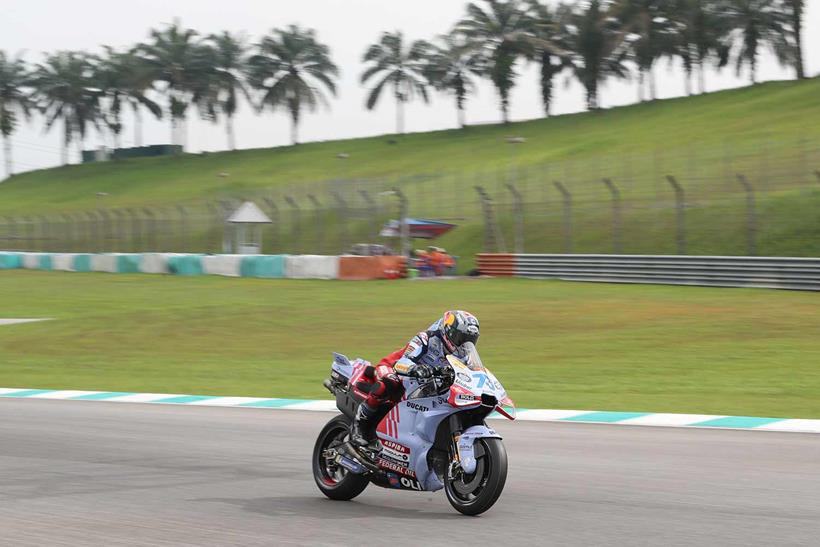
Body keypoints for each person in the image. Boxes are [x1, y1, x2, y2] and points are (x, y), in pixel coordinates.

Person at [345, 310, 481, 457]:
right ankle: (360, 424)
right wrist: (416, 368)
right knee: (389, 382)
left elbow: (470, 373)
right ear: (449, 331)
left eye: (469, 340)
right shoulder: (426, 338)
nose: (464, 344)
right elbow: (402, 363)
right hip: (394, 368)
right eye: (462, 338)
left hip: (424, 383)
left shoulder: (463, 355)